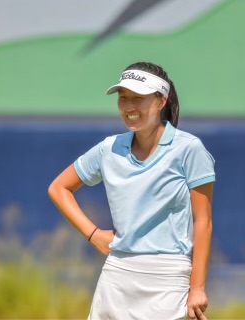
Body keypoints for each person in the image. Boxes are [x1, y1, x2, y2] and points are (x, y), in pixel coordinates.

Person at [48, 61, 215, 320]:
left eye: (138, 98)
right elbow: (59, 188)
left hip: (168, 279)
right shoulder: (109, 148)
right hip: (116, 276)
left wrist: (198, 288)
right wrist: (93, 234)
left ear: (161, 101)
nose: (128, 107)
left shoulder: (189, 149)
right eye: (123, 98)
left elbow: (202, 221)